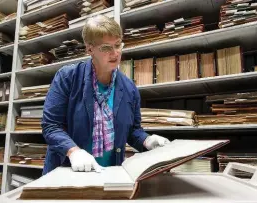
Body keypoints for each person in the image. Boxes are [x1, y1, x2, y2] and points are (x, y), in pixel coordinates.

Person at [41, 15, 170, 175]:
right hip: (67, 171)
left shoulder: (129, 88)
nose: (115, 53)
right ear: (89, 49)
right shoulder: (68, 77)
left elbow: (132, 131)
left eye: (118, 45)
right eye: (106, 48)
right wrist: (73, 151)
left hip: (109, 173)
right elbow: (51, 126)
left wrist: (147, 140)